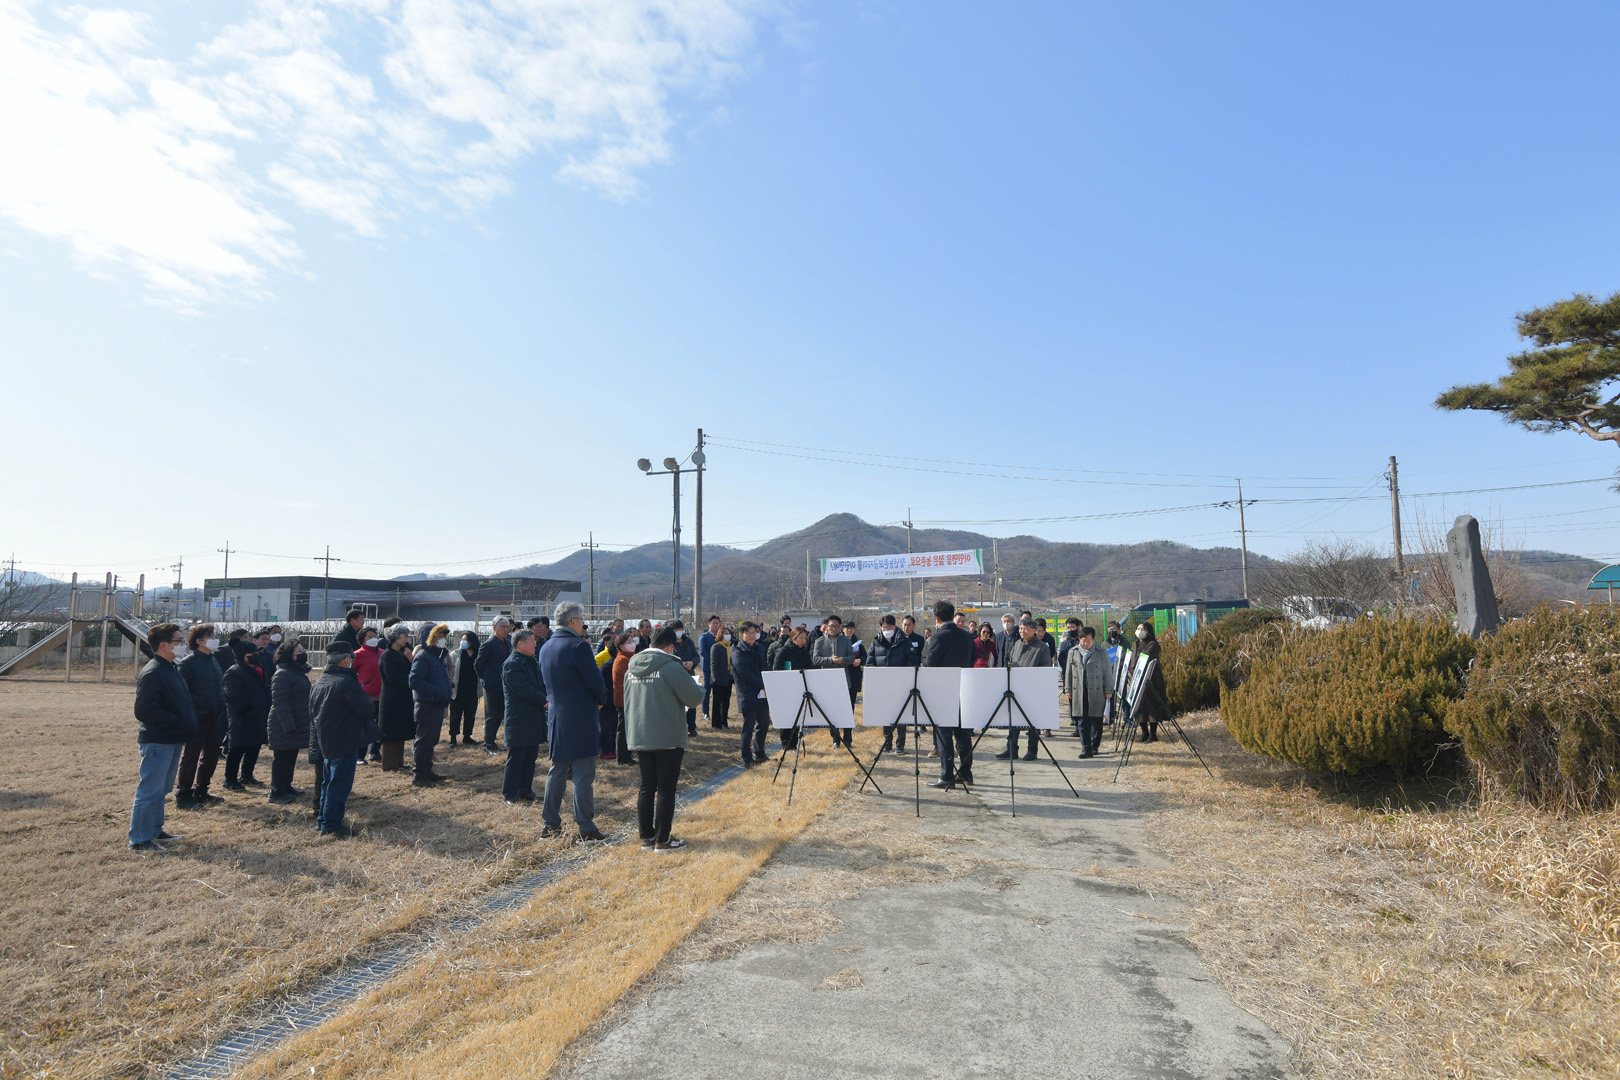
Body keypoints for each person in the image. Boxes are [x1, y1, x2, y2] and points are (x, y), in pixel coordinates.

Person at [624, 625, 704, 852]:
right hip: (667, 735)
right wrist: (698, 685)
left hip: (640, 733)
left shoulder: (632, 668)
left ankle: (647, 837)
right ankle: (663, 839)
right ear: (670, 647)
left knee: (646, 786)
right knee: (666, 788)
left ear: (650, 644)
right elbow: (694, 698)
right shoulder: (671, 667)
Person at [538, 601, 609, 842]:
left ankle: (550, 824)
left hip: (556, 716)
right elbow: (595, 681)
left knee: (557, 770)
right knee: (583, 774)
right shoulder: (579, 647)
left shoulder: (546, 647)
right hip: (581, 716)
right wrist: (601, 699)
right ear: (573, 621)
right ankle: (586, 826)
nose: (582, 625)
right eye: (581, 620)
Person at [128, 623, 196, 851]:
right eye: (178, 641)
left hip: (172, 739)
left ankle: (155, 830)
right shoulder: (154, 672)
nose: (182, 644)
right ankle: (140, 839)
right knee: (150, 790)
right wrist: (176, 721)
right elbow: (144, 711)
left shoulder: (171, 668)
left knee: (162, 789)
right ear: (164, 645)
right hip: (158, 741)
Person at [310, 642, 379, 838]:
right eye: (352, 659)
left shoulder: (321, 681)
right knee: (339, 784)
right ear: (346, 659)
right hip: (345, 739)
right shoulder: (346, 682)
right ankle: (332, 825)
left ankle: (323, 820)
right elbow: (367, 708)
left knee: (328, 783)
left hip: (327, 739)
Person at [924, 601, 976, 790]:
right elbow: (972, 660)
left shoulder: (937, 637)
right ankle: (966, 773)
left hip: (943, 690)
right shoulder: (967, 636)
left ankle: (947, 776)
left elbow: (929, 665)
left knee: (943, 734)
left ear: (937, 618)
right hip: (963, 688)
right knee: (963, 734)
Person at [175, 623, 226, 810]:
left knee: (211, 755)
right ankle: (183, 794)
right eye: (211, 636)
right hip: (197, 717)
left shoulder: (213, 660)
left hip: (214, 716)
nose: (215, 639)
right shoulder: (188, 664)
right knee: (191, 756)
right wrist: (202, 703)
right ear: (199, 641)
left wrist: (221, 701)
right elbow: (183, 693)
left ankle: (202, 790)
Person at [500, 629, 547, 805]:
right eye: (531, 641)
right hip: (519, 717)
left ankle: (525, 790)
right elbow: (522, 689)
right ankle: (510, 794)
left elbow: (539, 684)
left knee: (530, 756)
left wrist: (546, 697)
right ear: (520, 643)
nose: (535, 644)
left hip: (533, 715)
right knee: (517, 757)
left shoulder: (530, 661)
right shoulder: (512, 664)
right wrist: (544, 700)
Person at [997, 617, 1053, 761]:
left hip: (1033, 690)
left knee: (1032, 722)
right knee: (1013, 721)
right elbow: (1010, 662)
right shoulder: (1017, 644)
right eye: (1021, 628)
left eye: (1026, 629)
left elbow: (1045, 670)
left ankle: (1032, 751)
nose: (1023, 631)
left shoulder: (1041, 647)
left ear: (1034, 630)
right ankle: (1011, 749)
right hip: (1015, 689)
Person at [267, 638, 313, 802]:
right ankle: (276, 791)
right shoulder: (283, 674)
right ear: (288, 655)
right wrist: (288, 725)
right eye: (299, 652)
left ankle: (286, 786)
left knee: (291, 756)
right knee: (282, 758)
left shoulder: (296, 672)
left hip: (296, 721)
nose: (303, 654)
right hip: (284, 723)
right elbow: (280, 702)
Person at [408, 624, 453, 787]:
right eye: (439, 636)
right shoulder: (423, 656)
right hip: (427, 704)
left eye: (443, 636)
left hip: (437, 703)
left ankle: (427, 770)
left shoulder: (438, 656)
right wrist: (436, 691)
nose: (442, 639)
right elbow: (414, 681)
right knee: (423, 741)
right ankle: (419, 775)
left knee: (431, 740)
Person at [222, 643, 270, 789]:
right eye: (252, 654)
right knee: (237, 748)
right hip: (241, 717)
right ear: (243, 656)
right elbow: (232, 696)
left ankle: (247, 775)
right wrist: (247, 710)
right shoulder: (234, 672)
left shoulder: (257, 669)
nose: (256, 656)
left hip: (257, 715)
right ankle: (230, 779)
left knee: (254, 746)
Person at [1064, 626, 1113, 758]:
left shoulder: (1101, 652)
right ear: (1079, 639)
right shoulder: (1073, 652)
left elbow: (1108, 673)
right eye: (1083, 640)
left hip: (1097, 690)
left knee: (1096, 719)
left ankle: (1094, 745)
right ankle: (1085, 748)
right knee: (1081, 720)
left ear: (1093, 639)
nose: (1086, 643)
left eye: (1089, 640)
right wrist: (1068, 688)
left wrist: (1108, 690)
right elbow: (1068, 672)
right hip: (1079, 690)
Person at [812, 615, 857, 747]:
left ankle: (847, 739)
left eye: (836, 626)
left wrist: (842, 660)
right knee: (831, 711)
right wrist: (830, 660)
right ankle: (835, 739)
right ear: (827, 627)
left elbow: (851, 658)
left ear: (840, 627)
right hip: (827, 679)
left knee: (846, 709)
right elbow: (816, 659)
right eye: (831, 626)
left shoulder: (846, 640)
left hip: (843, 678)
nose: (833, 628)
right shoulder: (820, 641)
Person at [868, 615, 911, 753]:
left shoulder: (904, 641)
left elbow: (912, 660)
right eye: (884, 627)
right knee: (886, 715)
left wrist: (903, 674)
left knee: (901, 715)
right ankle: (887, 742)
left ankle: (900, 744)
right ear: (881, 627)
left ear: (895, 626)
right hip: (883, 684)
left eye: (889, 627)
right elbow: (870, 662)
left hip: (900, 683)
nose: (887, 630)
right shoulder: (876, 642)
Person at [377, 625, 415, 771]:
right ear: (395, 637)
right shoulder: (387, 655)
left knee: (401, 730)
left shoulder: (403, 653)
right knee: (391, 732)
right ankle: (389, 764)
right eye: (404, 636)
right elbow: (394, 678)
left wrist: (410, 659)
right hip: (391, 698)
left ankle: (399, 761)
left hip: (403, 697)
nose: (406, 639)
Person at [731, 622, 770, 764]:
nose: (753, 635)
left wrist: (768, 682)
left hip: (762, 693)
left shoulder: (758, 648)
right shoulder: (738, 651)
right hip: (748, 693)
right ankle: (747, 758)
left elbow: (764, 667)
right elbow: (745, 673)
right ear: (742, 635)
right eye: (749, 633)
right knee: (748, 727)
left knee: (764, 723)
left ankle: (760, 753)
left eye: (755, 632)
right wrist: (762, 685)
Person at [474, 618, 513, 754]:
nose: (506, 629)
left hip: (504, 685)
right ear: (494, 628)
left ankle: (493, 742)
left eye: (507, 627)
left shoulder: (508, 643)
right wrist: (486, 679)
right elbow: (478, 665)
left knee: (500, 714)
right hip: (492, 685)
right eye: (502, 627)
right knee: (491, 715)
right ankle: (488, 744)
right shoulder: (488, 644)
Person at [1131, 621, 1167, 742]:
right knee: (1140, 706)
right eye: (1138, 628)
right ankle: (1144, 733)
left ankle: (1153, 734)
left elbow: (1145, 657)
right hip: (1138, 678)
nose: (1139, 631)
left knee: (1152, 705)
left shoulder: (1153, 644)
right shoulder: (1135, 644)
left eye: (1143, 629)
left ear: (1148, 632)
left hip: (1152, 678)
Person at [353, 626, 382, 765]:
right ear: (362, 640)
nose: (373, 638)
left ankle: (375, 751)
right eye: (369, 637)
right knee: (364, 726)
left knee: (380, 724)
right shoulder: (357, 654)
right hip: (366, 696)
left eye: (375, 636)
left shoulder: (382, 653)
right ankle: (359, 756)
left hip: (382, 695)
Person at [607, 632, 636, 764]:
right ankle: (623, 757)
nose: (633, 644)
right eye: (629, 642)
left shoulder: (629, 657)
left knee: (627, 728)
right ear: (621, 646)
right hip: (624, 699)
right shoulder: (622, 660)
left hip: (628, 698)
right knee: (623, 729)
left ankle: (626, 755)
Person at [448, 630, 481, 746]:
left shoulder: (478, 655)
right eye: (462, 640)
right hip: (458, 689)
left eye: (465, 640)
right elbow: (449, 669)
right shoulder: (456, 654)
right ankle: (453, 738)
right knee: (455, 715)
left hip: (472, 690)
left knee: (470, 715)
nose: (463, 642)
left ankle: (467, 737)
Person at [668, 620, 702, 736]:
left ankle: (691, 727)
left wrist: (692, 662)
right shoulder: (669, 644)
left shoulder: (689, 642)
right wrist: (680, 664)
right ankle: (679, 728)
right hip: (676, 676)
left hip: (690, 675)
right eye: (676, 630)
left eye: (680, 629)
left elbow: (696, 656)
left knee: (691, 702)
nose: (678, 632)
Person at [708, 625, 734, 730]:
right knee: (717, 702)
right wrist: (715, 678)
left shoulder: (731, 647)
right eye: (725, 633)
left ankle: (724, 722)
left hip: (728, 677)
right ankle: (716, 723)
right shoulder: (716, 647)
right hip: (718, 678)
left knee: (726, 701)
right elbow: (713, 664)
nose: (727, 635)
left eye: (728, 633)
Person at [698, 614, 721, 722]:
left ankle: (718, 712)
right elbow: (703, 652)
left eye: (717, 623)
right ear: (709, 624)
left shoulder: (720, 636)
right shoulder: (704, 637)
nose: (716, 625)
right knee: (707, 690)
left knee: (718, 692)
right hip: (708, 668)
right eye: (713, 623)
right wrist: (713, 662)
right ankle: (705, 712)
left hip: (720, 669)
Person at [843, 623, 864, 708]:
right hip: (843, 674)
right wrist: (851, 661)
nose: (849, 630)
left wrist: (860, 660)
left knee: (851, 702)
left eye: (851, 628)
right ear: (843, 629)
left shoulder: (858, 644)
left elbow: (865, 657)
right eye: (847, 628)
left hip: (854, 676)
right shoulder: (839, 643)